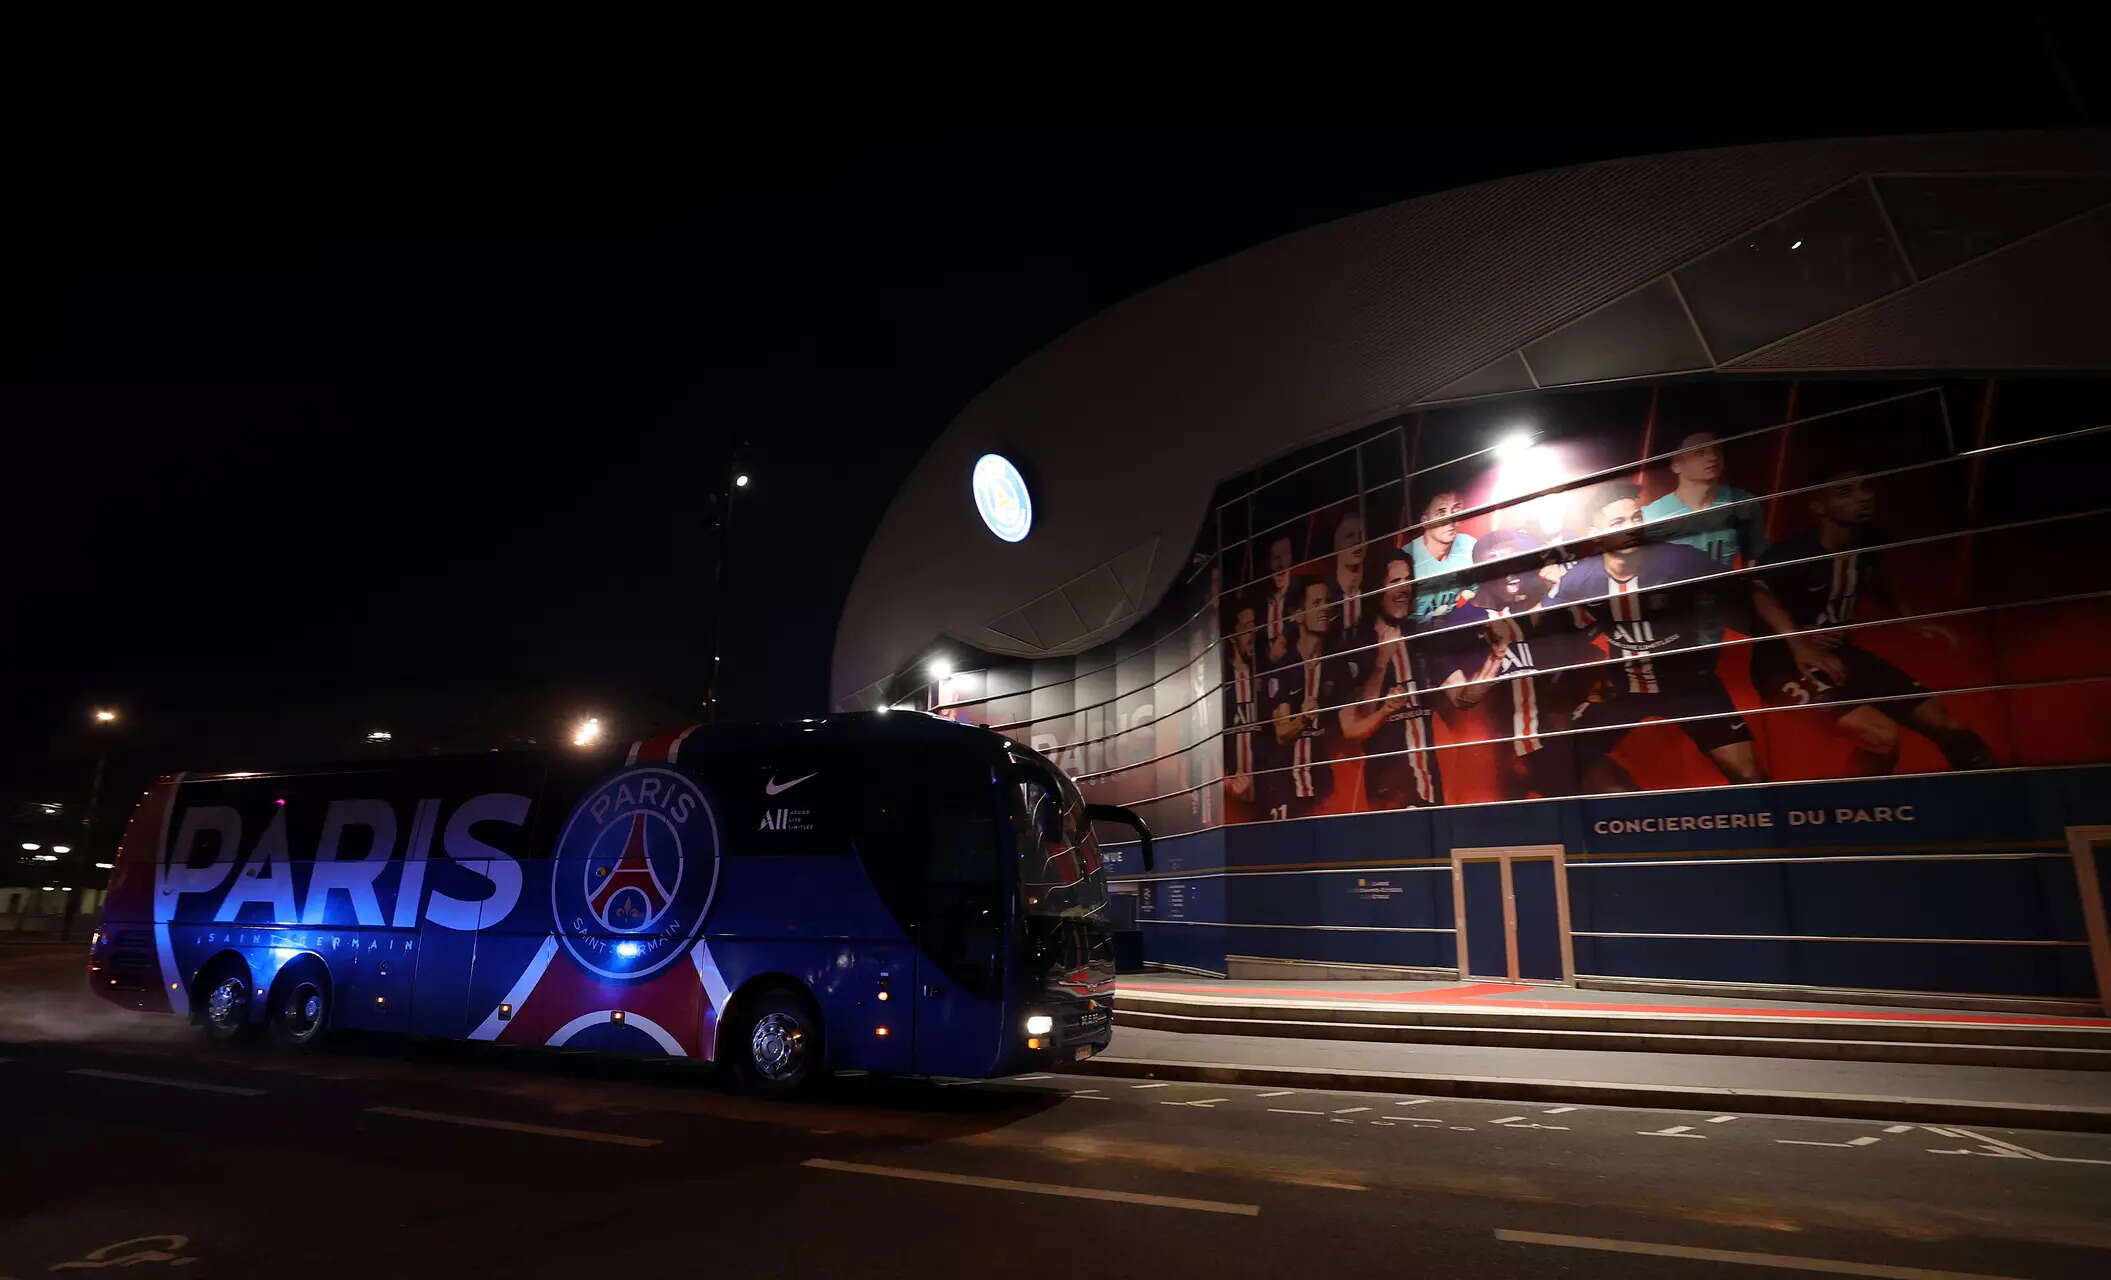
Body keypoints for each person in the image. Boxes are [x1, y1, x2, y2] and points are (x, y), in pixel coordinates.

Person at [1749, 467, 1995, 775]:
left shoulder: (1869, 542)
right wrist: (1799, 642)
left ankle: (1996, 803)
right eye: (1845, 492)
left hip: (1842, 655)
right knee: (1882, 736)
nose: (1862, 498)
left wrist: (1911, 620)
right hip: (1784, 665)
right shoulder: (1796, 553)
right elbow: (1757, 591)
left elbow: (1880, 579)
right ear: (1818, 507)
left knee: (1948, 726)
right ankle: (1856, 812)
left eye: (1864, 488)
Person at [1552, 482, 1768, 790]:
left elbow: (1749, 592)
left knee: (1749, 775)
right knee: (1566, 756)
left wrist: (1799, 642)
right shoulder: (1578, 581)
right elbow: (1558, 634)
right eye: (1617, 523)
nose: (1631, 529)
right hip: (1623, 690)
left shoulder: (1679, 560)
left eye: (1636, 518)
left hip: (1689, 683)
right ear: (1595, 534)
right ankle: (1633, 817)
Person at [1431, 530, 1588, 799]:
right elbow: (1462, 699)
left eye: (1517, 562)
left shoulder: (1525, 611)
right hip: (1491, 760)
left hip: (1547, 747)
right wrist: (1496, 656)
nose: (1513, 572)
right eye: (1501, 564)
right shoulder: (1455, 626)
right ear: (1481, 572)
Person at [1337, 548, 1442, 808]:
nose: (1404, 588)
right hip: (1389, 789)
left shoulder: (1418, 636)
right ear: (1376, 588)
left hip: (1430, 781)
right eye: (1395, 581)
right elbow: (1354, 725)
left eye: (1408, 580)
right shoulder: (1356, 643)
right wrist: (1381, 664)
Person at [1264, 576, 1342, 818]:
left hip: (1324, 789)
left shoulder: (1334, 666)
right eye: (1316, 602)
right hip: (1287, 791)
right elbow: (1282, 733)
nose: (1325, 609)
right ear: (1298, 615)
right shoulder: (1284, 669)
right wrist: (1305, 719)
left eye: (1327, 602)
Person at [1642, 430, 1768, 570]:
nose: (1712, 457)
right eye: (1699, 452)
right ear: (1676, 464)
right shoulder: (1652, 515)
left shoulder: (1743, 504)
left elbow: (1755, 558)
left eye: (1717, 450)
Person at [1408, 488, 1477, 624]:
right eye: (1441, 513)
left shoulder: (1469, 545)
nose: (1450, 521)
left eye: (1455, 511)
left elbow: (1481, 592)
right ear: (1425, 520)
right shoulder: (1407, 558)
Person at [1223, 599, 1263, 808]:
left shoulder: (1261, 674)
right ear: (1232, 636)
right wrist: (1225, 782)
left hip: (1262, 794)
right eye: (1246, 627)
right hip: (1232, 798)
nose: (1252, 633)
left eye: (1254, 625)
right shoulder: (1221, 683)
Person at [1328, 510, 1370, 633]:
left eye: (1361, 535)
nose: (1358, 541)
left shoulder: (1375, 592)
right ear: (1336, 544)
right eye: (1349, 536)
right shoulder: (1325, 594)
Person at [1262, 532, 1298, 665]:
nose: (1281, 564)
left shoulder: (1299, 592)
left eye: (1286, 555)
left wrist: (1283, 640)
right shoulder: (1262, 602)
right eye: (1276, 557)